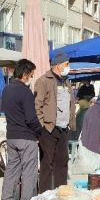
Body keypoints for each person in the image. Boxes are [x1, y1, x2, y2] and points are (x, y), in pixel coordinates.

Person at [0, 59, 42, 200]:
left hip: (11, 137)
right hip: (26, 138)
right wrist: (40, 131)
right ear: (24, 74)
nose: (31, 78)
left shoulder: (6, 89)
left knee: (11, 170)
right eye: (30, 75)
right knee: (29, 173)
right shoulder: (25, 92)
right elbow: (31, 119)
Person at [34, 51, 76, 192]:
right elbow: (37, 105)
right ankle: (44, 195)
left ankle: (61, 192)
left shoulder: (66, 81)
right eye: (66, 64)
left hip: (63, 128)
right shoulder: (43, 81)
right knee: (47, 164)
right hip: (49, 129)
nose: (68, 67)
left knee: (62, 162)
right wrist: (43, 126)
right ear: (58, 65)